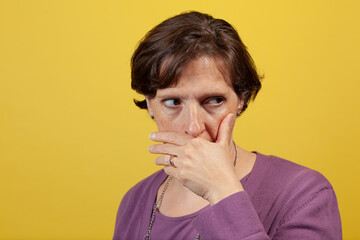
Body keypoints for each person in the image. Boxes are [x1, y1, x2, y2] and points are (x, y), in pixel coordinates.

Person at [113, 11, 342, 239]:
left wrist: (222, 190)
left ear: (241, 99)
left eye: (214, 100)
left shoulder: (303, 194)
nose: (194, 127)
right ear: (150, 105)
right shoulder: (135, 201)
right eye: (173, 102)